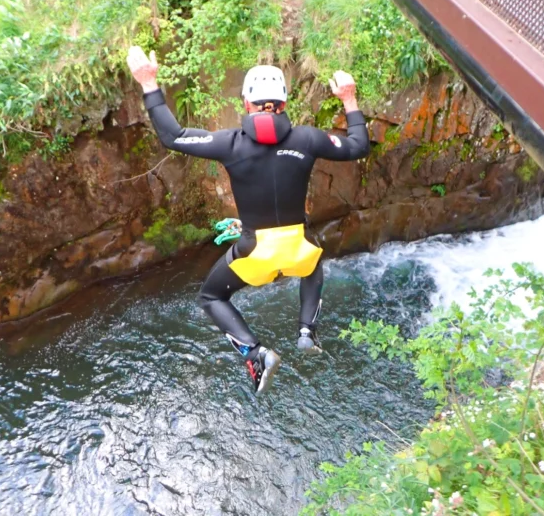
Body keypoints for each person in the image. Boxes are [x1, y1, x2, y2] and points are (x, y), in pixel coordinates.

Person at [127, 46, 370, 394]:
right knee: (313, 263)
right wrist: (348, 98)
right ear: (284, 104)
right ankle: (306, 331)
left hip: (254, 251)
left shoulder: (229, 143)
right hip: (298, 246)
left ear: (245, 104)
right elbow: (359, 145)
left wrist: (149, 82)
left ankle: (255, 354)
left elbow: (173, 136)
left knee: (211, 297)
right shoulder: (308, 138)